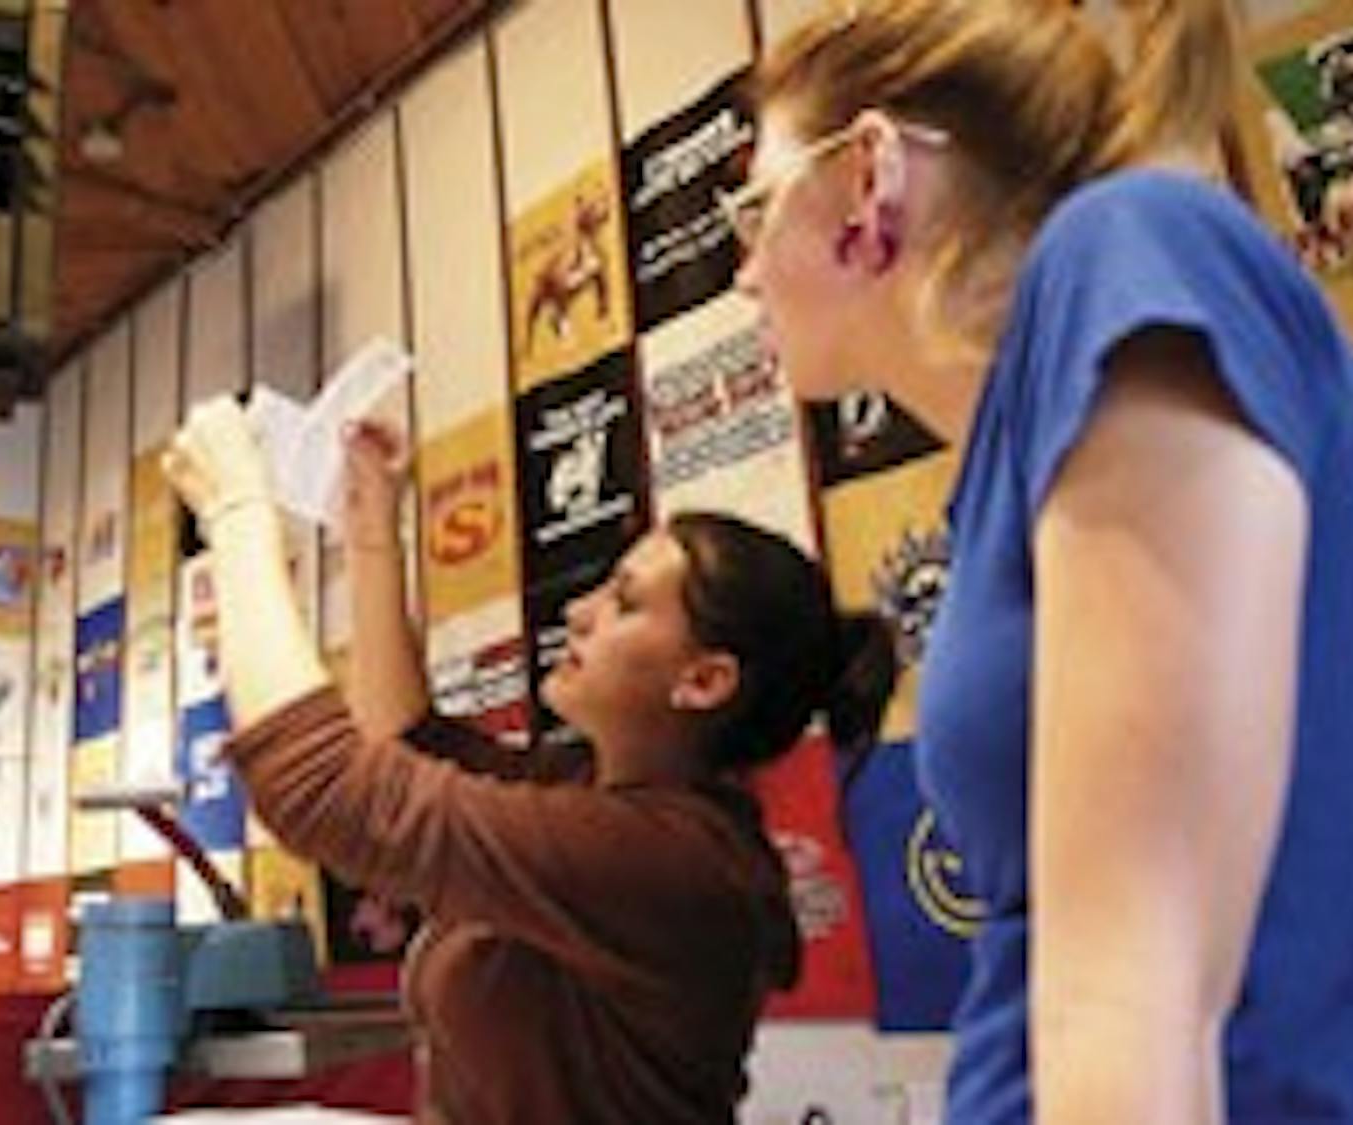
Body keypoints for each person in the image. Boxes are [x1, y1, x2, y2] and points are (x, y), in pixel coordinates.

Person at [725, 0, 1353, 1120]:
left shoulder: (1129, 250)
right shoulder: (1010, 464)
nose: (743, 275)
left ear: (868, 173)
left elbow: (1136, 990)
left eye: (755, 210)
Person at [161, 405, 895, 1123]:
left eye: (626, 604)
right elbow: (405, 745)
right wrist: (372, 534)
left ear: (703, 681)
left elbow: (324, 790)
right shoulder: (587, 787)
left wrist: (237, 514)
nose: (580, 609)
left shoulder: (668, 856)